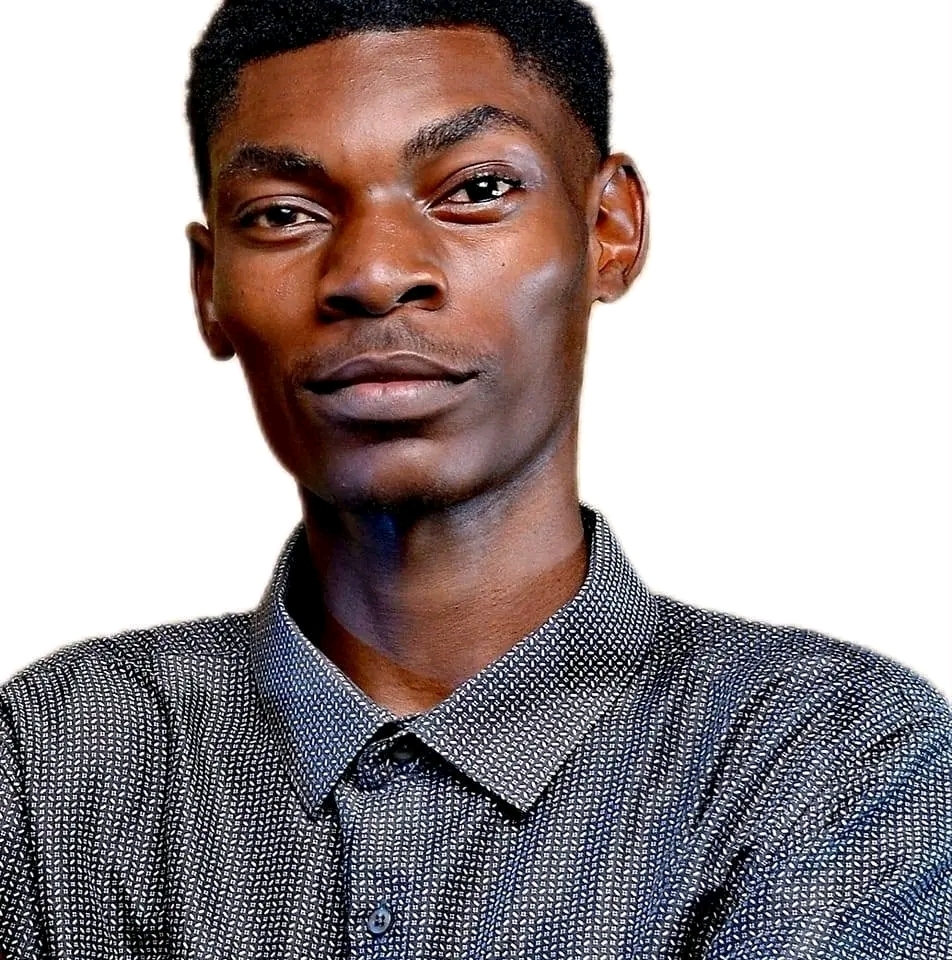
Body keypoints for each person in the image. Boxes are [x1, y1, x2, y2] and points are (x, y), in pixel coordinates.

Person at [1, 0, 949, 955]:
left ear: (609, 228)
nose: (374, 274)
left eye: (478, 188)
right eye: (283, 214)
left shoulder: (834, 758)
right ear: (209, 285)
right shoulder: (53, 760)